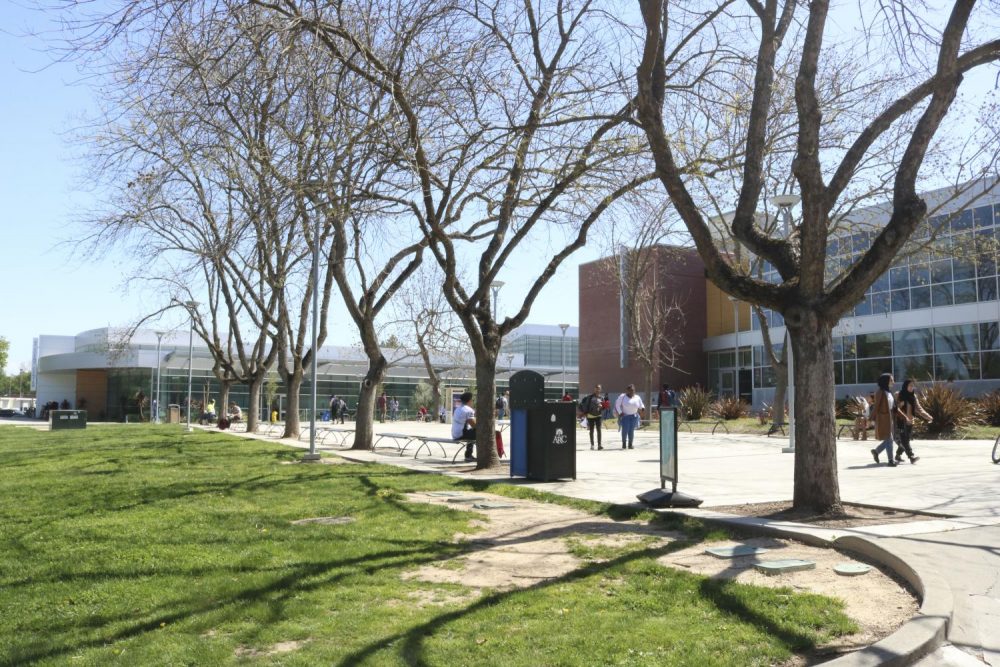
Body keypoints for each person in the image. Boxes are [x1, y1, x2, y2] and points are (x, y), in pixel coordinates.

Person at [895, 379, 932, 464]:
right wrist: (900, 405)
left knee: (906, 440)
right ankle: (911, 456)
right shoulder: (898, 395)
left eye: (912, 386)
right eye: (910, 385)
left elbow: (919, 408)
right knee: (904, 439)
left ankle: (897, 455)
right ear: (905, 386)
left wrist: (928, 417)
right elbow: (895, 407)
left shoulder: (913, 396)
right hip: (901, 421)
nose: (912, 387)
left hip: (910, 421)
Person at [871, 373, 902, 467]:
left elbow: (894, 407)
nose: (893, 382)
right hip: (883, 419)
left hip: (890, 419)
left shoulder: (889, 392)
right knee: (889, 439)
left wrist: (904, 416)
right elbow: (876, 407)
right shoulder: (880, 392)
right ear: (886, 381)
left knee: (889, 440)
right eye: (891, 380)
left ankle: (876, 451)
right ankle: (890, 460)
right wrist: (871, 418)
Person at [614, 384, 645, 450]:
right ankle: (624, 443)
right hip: (625, 416)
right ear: (627, 391)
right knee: (625, 430)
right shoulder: (622, 397)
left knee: (631, 430)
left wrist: (642, 408)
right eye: (630, 390)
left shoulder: (637, 397)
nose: (632, 392)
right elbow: (617, 405)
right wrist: (620, 412)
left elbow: (641, 404)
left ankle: (630, 444)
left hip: (634, 416)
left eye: (633, 390)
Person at [451, 391, 477, 461]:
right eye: (472, 400)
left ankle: (468, 455)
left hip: (455, 433)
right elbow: (474, 425)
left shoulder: (457, 409)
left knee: (472, 433)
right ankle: (469, 455)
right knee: (480, 433)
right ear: (470, 400)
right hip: (461, 434)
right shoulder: (469, 410)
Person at [581, 383, 604, 450]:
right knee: (591, 431)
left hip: (598, 416)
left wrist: (602, 407)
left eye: (599, 388)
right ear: (594, 389)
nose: (597, 390)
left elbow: (604, 407)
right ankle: (592, 445)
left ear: (600, 389)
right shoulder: (590, 397)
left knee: (599, 430)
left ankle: (599, 445)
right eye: (596, 388)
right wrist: (585, 413)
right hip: (590, 416)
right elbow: (586, 406)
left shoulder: (601, 398)